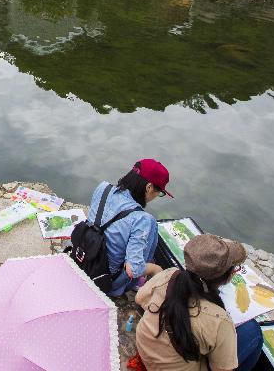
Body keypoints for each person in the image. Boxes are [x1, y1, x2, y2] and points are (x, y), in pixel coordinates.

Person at [135, 234, 264, 371]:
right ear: (226, 275)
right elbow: (222, 369)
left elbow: (139, 298)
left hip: (146, 350)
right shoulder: (219, 319)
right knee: (254, 331)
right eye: (235, 269)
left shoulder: (169, 275)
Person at [89, 159, 171, 297]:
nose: (158, 196)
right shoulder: (142, 219)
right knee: (152, 228)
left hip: (87, 257)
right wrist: (155, 269)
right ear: (149, 187)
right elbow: (133, 269)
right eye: (160, 192)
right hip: (106, 281)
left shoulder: (103, 188)